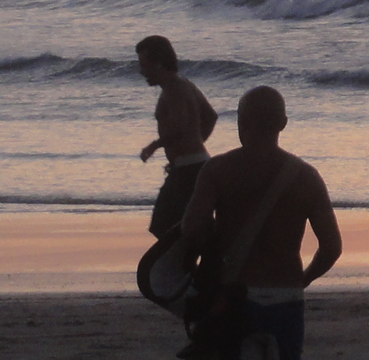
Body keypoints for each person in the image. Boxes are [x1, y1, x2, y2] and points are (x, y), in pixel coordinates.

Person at [182, 86, 341, 360]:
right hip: (287, 296)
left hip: (236, 296)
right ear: (283, 123)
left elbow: (191, 229)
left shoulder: (217, 170)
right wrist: (304, 279)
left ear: (241, 122)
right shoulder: (306, 176)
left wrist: (200, 269)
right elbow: (331, 247)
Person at [138, 35, 218, 238]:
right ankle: (189, 264)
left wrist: (154, 146)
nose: (141, 72)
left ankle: (184, 266)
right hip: (193, 164)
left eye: (144, 66)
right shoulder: (184, 85)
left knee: (165, 225)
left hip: (188, 170)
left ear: (158, 64)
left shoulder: (174, 90)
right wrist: (196, 144)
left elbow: (180, 128)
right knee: (183, 225)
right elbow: (210, 116)